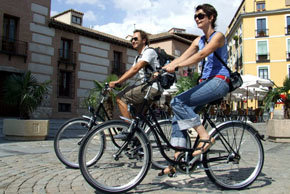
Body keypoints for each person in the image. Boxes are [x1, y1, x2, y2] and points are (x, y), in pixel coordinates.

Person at [159, 4, 230, 176]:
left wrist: (176, 67)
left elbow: (200, 55)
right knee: (178, 115)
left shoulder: (218, 36)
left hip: (220, 81)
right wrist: (165, 67)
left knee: (177, 101)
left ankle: (205, 137)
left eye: (201, 15)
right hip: (205, 83)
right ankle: (177, 160)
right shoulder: (198, 40)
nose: (197, 19)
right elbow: (183, 56)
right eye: (195, 17)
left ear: (211, 17)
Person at [109, 29, 162, 126]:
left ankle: (129, 130)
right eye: (131, 39)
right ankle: (137, 136)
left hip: (152, 87)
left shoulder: (149, 52)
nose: (133, 41)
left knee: (120, 98)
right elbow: (131, 71)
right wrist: (120, 83)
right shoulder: (138, 57)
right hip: (146, 86)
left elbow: (136, 69)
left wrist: (118, 81)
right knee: (135, 116)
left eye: (135, 39)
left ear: (144, 40)